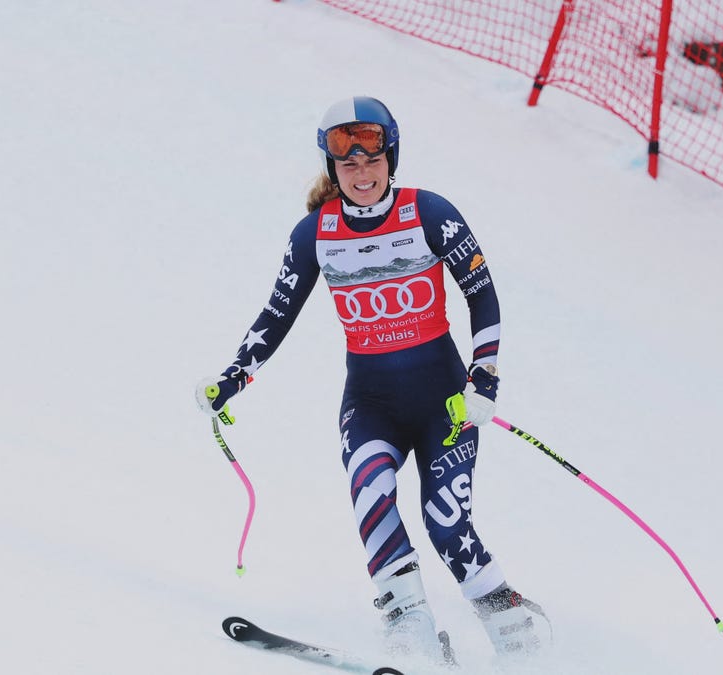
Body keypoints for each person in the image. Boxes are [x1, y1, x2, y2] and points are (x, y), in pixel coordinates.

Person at [196, 96, 546, 663]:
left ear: (391, 158)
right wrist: (232, 379)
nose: (362, 173)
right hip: (371, 403)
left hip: (446, 405)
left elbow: (482, 296)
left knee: (446, 523)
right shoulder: (315, 233)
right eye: (348, 165)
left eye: (372, 160)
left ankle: (515, 632)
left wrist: (484, 378)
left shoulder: (430, 213)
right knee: (371, 493)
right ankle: (408, 620)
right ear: (333, 170)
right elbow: (277, 315)